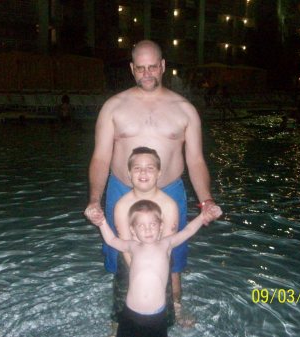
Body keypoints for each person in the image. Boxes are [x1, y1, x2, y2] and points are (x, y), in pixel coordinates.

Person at [84, 39, 222, 323]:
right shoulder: (113, 107)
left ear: (163, 66)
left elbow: (195, 160)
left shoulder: (184, 109)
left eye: (153, 67)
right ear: (132, 69)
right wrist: (95, 200)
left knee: (173, 258)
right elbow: (100, 157)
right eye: (141, 68)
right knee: (123, 258)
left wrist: (206, 200)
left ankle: (176, 308)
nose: (147, 73)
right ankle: (119, 318)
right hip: (122, 190)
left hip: (169, 192)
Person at [91, 199, 219, 337]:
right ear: (133, 230)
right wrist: (102, 221)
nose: (148, 229)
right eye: (141, 225)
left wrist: (202, 216)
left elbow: (188, 231)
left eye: (153, 224)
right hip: (130, 313)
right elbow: (111, 240)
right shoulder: (132, 246)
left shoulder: (166, 244)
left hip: (157, 316)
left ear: (161, 226)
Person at [111, 147, 179, 326]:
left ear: (159, 173)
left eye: (150, 168)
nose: (143, 172)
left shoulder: (169, 205)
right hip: (130, 258)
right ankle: (117, 323)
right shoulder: (122, 205)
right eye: (137, 168)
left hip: (159, 261)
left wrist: (154, 273)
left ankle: (170, 316)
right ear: (129, 173)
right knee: (123, 295)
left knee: (162, 300)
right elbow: (124, 242)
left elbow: (168, 246)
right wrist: (137, 270)